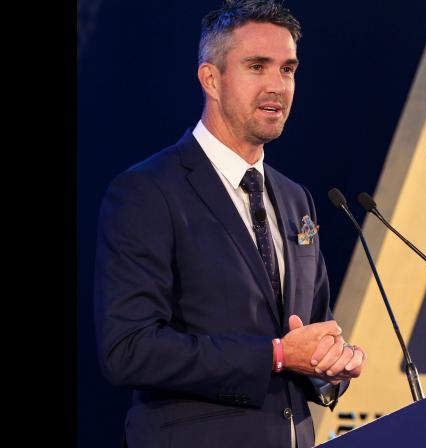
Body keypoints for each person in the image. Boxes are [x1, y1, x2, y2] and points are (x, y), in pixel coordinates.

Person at [93, 1, 366, 447]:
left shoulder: (297, 199)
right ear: (211, 79)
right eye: (257, 66)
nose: (277, 85)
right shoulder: (148, 192)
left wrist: (330, 366)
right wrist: (275, 356)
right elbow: (128, 350)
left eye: (288, 69)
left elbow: (308, 332)